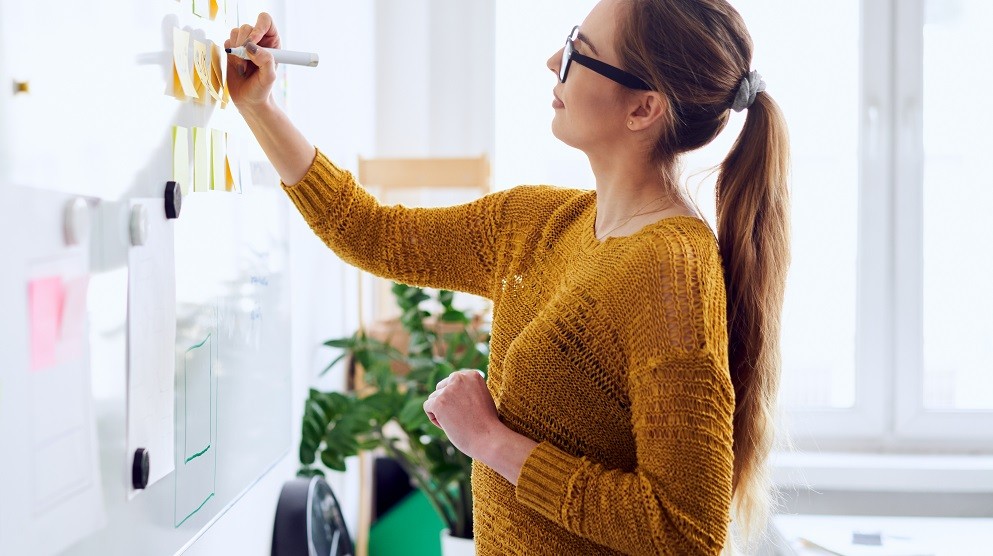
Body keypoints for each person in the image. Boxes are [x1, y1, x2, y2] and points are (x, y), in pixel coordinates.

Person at [226, 0, 789, 553]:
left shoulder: (670, 272)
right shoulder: (540, 225)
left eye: (577, 53)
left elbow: (685, 532)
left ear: (643, 109)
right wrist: (261, 107)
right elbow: (372, 233)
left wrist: (493, 442)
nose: (552, 61)